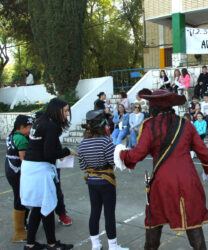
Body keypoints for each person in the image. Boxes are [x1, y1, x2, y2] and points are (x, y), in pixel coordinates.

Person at [115, 89, 208, 250]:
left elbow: (138, 154)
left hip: (162, 182)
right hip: (188, 180)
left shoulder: (149, 125)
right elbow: (203, 152)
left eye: (151, 104)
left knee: (154, 222)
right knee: (192, 223)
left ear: (155, 107)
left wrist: (121, 154)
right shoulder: (186, 124)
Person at [21, 98, 77, 250]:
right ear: (56, 110)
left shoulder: (40, 121)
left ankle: (30, 244)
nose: (67, 114)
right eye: (65, 111)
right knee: (47, 206)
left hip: (31, 167)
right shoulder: (51, 125)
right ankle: (52, 244)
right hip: (39, 170)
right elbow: (49, 153)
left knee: (38, 207)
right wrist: (67, 151)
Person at [78, 110, 128, 250]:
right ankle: (113, 246)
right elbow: (113, 162)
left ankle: (95, 244)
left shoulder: (82, 143)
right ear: (102, 126)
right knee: (109, 213)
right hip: (106, 181)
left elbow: (83, 165)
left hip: (91, 181)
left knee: (94, 212)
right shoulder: (105, 141)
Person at [5, 115, 33, 243]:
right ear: (21, 127)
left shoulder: (12, 136)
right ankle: (20, 232)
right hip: (17, 173)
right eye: (29, 127)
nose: (31, 130)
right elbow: (24, 159)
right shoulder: (21, 139)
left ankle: (22, 226)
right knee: (21, 199)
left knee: (19, 197)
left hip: (10, 171)